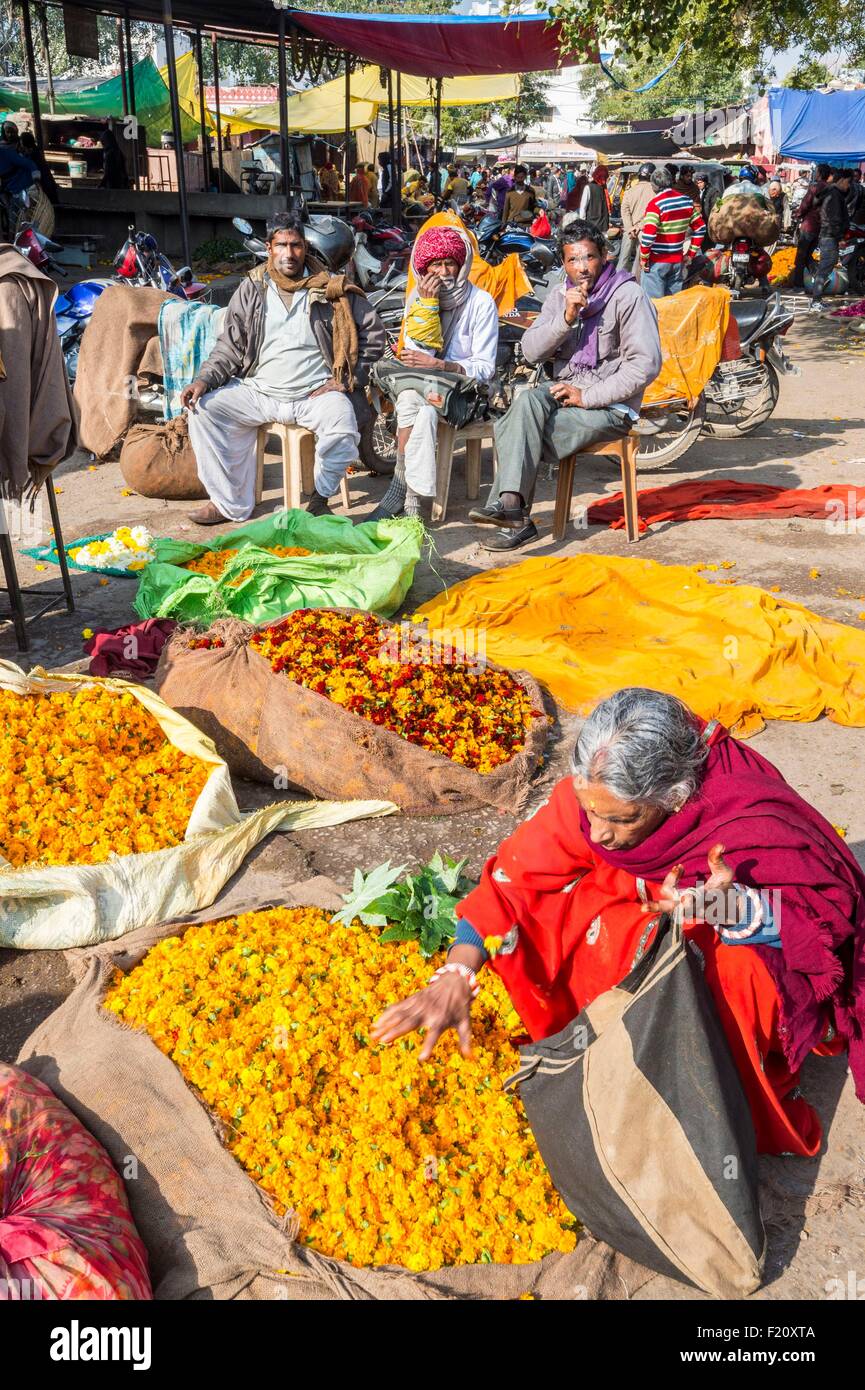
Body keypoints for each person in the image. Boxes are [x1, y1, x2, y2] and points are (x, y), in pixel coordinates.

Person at [372, 687, 864, 1159]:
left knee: (738, 972)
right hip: (649, 908)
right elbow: (510, 881)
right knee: (544, 911)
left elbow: (824, 926)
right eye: (592, 812)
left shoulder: (741, 818)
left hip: (736, 939)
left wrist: (727, 908)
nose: (601, 833)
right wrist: (456, 973)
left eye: (623, 820)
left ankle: (711, 1104)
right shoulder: (593, 798)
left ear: (673, 798)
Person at [467, 219, 661, 551]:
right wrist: (566, 319)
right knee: (525, 403)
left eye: (588, 258)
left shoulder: (628, 295)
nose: (582, 268)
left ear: (604, 255)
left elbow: (645, 365)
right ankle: (513, 509)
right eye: (573, 260)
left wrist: (587, 396)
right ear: (564, 263)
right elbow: (530, 351)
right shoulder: (561, 296)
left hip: (610, 407)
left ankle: (516, 514)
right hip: (563, 393)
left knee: (513, 429)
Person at [180, 212, 385, 525]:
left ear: (305, 247)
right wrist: (204, 380)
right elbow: (230, 346)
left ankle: (319, 499)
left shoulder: (331, 288)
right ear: (269, 247)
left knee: (343, 425)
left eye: (296, 245)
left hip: (314, 394)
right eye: (282, 245)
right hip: (260, 391)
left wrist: (349, 380)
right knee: (203, 409)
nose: (289, 253)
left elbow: (373, 336)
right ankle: (228, 503)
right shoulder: (253, 288)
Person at [368, 223, 497, 520]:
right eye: (435, 265)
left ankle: (401, 493)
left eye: (449, 263)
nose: (443, 272)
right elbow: (415, 359)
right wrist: (427, 306)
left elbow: (485, 369)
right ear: (425, 269)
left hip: (466, 395)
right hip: (427, 394)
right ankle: (411, 500)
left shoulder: (480, 302)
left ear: (460, 264)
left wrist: (442, 366)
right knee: (420, 407)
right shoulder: (418, 298)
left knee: (414, 400)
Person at [639, 167, 706, 299]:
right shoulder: (686, 201)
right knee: (673, 304)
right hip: (677, 262)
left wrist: (644, 258)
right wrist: (690, 254)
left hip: (656, 262)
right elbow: (701, 228)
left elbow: (648, 236)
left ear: (654, 186)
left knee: (654, 306)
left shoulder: (655, 204)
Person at [809, 167, 852, 313]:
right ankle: (816, 301)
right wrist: (839, 237)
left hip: (829, 235)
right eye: (848, 182)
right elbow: (832, 218)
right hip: (830, 236)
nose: (848, 186)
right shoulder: (833, 194)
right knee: (825, 267)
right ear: (841, 180)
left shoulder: (833, 193)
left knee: (827, 266)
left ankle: (817, 299)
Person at [792, 164, 828, 288]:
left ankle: (798, 283)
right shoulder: (831, 189)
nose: (815, 174)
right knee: (807, 255)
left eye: (816, 172)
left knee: (801, 255)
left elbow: (805, 204)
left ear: (820, 174)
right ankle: (819, 277)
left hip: (809, 225)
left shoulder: (815, 188)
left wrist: (797, 214)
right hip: (821, 227)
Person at [617, 162, 655, 273]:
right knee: (639, 265)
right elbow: (652, 213)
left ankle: (617, 284)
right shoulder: (655, 192)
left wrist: (630, 228)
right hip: (645, 231)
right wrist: (639, 226)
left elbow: (625, 211)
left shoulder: (630, 191)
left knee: (622, 261)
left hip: (630, 231)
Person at [18, 130, 60, 205]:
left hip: (45, 186)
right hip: (47, 185)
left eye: (23, 146)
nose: (22, 148)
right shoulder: (34, 153)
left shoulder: (34, 157)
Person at [576, 165, 612, 234]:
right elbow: (583, 207)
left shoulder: (604, 188)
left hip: (603, 226)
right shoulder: (588, 187)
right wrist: (583, 224)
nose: (605, 180)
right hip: (592, 226)